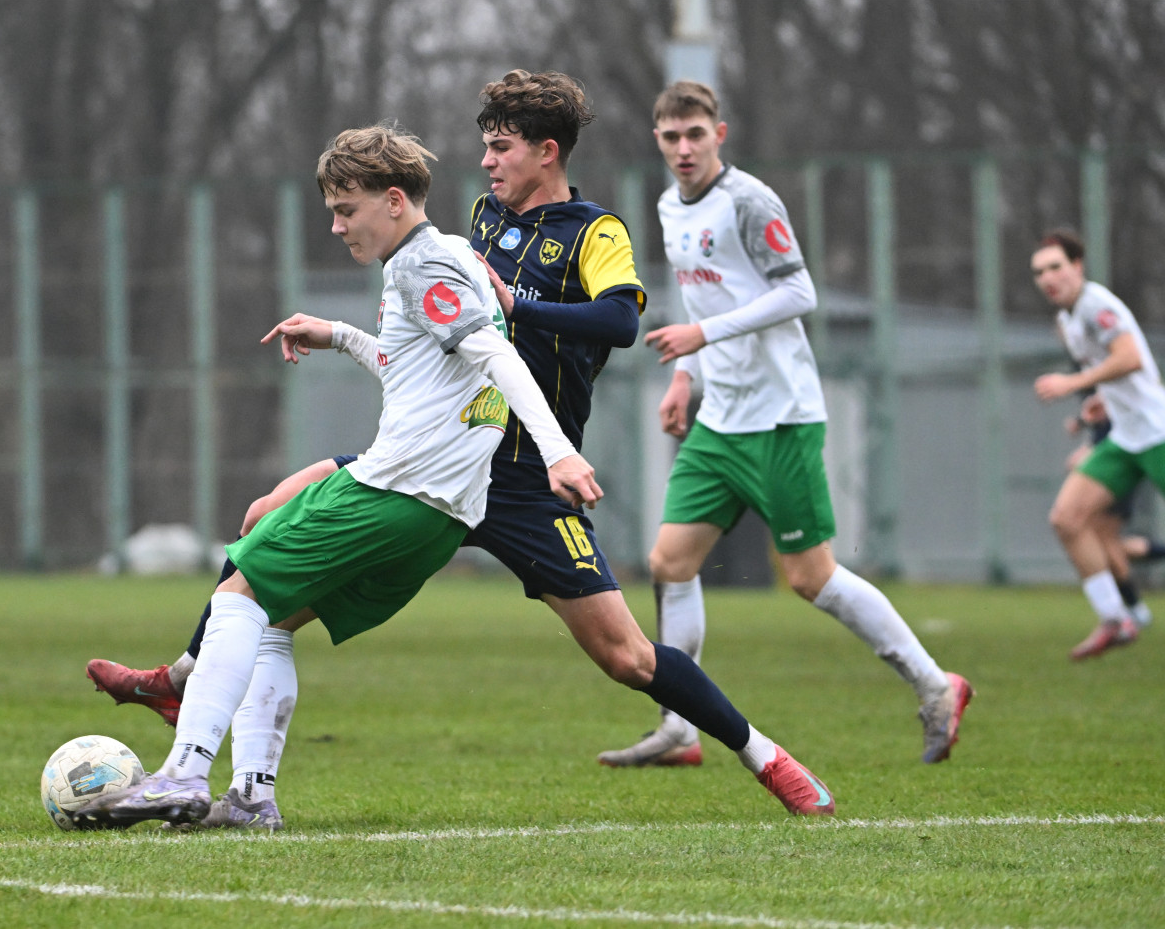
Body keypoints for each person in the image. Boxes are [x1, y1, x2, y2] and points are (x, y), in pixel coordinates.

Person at [86, 71, 837, 826]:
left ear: (547, 152)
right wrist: (343, 335)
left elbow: (616, 323)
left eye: (501, 147)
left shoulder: (594, 232)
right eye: (485, 145)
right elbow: (434, 348)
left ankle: (769, 758)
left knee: (628, 657)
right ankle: (200, 713)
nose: (486, 161)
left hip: (525, 472)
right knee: (265, 521)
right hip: (453, 450)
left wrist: (523, 316)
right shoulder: (475, 224)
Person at [72, 123, 604, 827]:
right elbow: (421, 370)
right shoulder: (451, 258)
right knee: (271, 618)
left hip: (395, 489)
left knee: (237, 591)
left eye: (346, 209)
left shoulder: (421, 265)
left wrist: (558, 451)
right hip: (442, 518)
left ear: (393, 200)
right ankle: (251, 796)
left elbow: (494, 358)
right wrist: (341, 335)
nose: (336, 226)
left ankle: (183, 773)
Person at [632, 80, 973, 765]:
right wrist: (684, 377)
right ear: (658, 140)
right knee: (670, 561)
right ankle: (680, 725)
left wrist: (703, 336)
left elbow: (799, 292)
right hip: (720, 419)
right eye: (671, 136)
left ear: (719, 134)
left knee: (811, 577)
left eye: (695, 134)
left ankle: (936, 685)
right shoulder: (670, 206)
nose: (684, 147)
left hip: (780, 415)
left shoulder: (749, 201)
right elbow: (698, 301)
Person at [1032, 227, 1165, 659]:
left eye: (1055, 267)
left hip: (1157, 432)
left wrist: (1074, 383)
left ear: (1077, 266)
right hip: (1126, 437)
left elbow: (1130, 357)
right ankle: (1116, 618)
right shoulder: (1067, 320)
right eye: (1039, 272)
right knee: (1067, 519)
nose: (1047, 278)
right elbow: (1119, 372)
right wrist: (1102, 401)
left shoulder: (1096, 305)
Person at [1062, 398, 1153, 629]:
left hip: (1116, 471)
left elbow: (1117, 423)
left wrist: (1067, 385)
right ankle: (1128, 611)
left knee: (1107, 543)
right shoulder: (1104, 393)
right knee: (1104, 543)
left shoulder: (1116, 380)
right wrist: (1082, 422)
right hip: (1115, 465)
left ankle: (1130, 611)